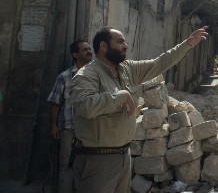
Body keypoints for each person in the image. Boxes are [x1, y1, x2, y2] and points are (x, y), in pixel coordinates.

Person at [70, 26, 209, 192]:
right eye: (120, 42)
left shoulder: (126, 69)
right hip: (97, 161)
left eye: (125, 42)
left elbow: (160, 63)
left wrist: (187, 44)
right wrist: (121, 96)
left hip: (123, 156)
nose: (126, 46)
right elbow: (85, 106)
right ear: (103, 46)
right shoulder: (88, 74)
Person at [47, 40, 93, 193]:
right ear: (75, 54)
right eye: (84, 49)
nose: (88, 51)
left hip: (89, 130)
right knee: (66, 165)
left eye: (89, 48)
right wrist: (53, 125)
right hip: (69, 129)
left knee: (87, 166)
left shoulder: (95, 76)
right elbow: (55, 102)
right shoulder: (65, 77)